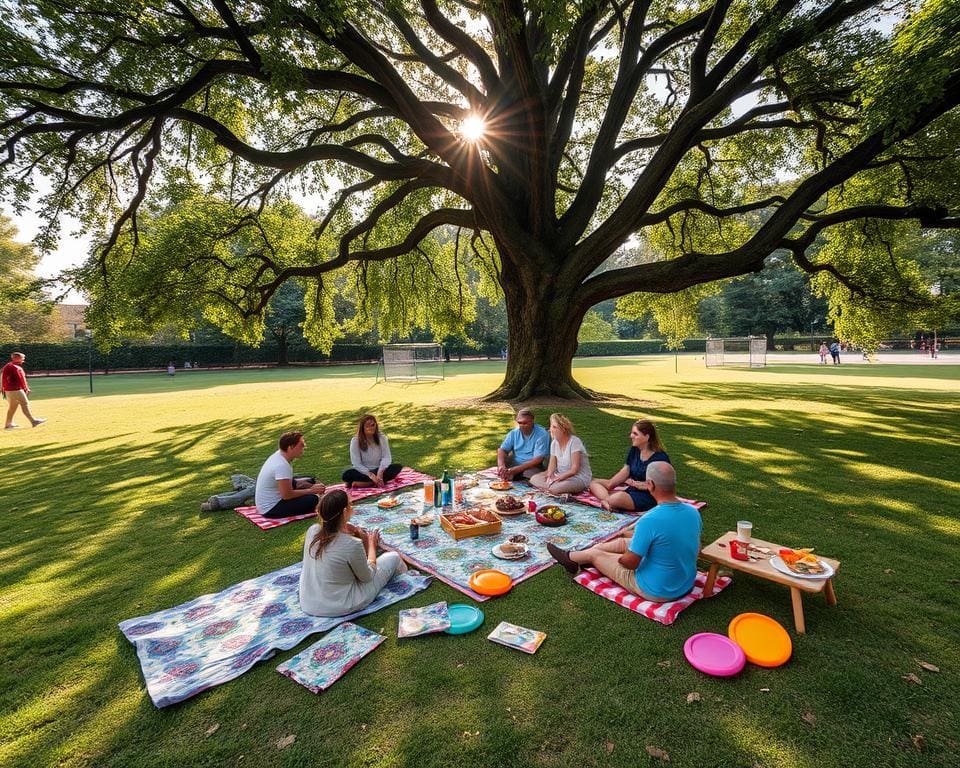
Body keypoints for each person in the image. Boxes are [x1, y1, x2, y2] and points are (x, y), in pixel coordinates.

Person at [547, 462, 701, 602]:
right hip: (685, 582)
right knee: (622, 542)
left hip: (657, 590)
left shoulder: (650, 520)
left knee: (597, 555)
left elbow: (630, 563)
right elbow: (693, 546)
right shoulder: (692, 512)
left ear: (650, 485)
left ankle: (575, 558)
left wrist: (618, 559)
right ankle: (578, 557)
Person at [299, 490, 406, 616]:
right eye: (350, 504)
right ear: (344, 512)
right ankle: (408, 578)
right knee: (393, 557)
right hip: (341, 605)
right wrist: (372, 545)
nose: (352, 507)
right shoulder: (352, 544)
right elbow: (367, 577)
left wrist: (347, 528)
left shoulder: (313, 531)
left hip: (308, 602)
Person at [588, 419, 670, 512]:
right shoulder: (635, 450)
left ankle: (609, 502)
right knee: (594, 482)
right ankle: (607, 501)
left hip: (649, 497)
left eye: (635, 434)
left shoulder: (660, 458)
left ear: (647, 437)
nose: (631, 436)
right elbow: (627, 469)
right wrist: (610, 484)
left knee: (618, 497)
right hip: (632, 490)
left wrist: (643, 485)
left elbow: (665, 486)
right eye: (632, 433)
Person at [252, 431, 326, 518]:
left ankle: (311, 488)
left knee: (309, 480)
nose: (304, 446)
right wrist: (311, 490)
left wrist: (310, 486)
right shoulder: (281, 465)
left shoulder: (280, 456)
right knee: (313, 500)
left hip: (271, 501)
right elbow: (287, 495)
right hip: (271, 508)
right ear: (291, 447)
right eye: (301, 445)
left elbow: (289, 482)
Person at [530, 413, 592, 495]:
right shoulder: (554, 443)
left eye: (554, 427)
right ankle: (550, 488)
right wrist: (549, 476)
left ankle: (551, 488)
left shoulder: (575, 442)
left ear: (563, 429)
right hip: (559, 476)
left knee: (556, 488)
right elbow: (552, 465)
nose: (550, 430)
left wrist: (560, 477)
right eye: (551, 426)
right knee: (533, 479)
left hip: (578, 477)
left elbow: (574, 469)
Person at [200, 470, 320, 512]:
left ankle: (219, 500)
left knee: (254, 487)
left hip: (278, 493)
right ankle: (219, 501)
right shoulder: (287, 476)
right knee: (256, 487)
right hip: (280, 490)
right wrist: (309, 489)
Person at [342, 414, 402, 488]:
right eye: (367, 426)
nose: (371, 428)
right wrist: (370, 475)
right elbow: (356, 463)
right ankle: (375, 481)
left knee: (397, 467)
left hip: (379, 469)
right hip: (364, 471)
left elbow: (386, 457)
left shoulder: (382, 438)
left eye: (373, 425)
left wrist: (380, 472)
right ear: (362, 428)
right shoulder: (355, 441)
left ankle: (363, 484)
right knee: (346, 474)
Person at [496, 408, 550, 480]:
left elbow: (538, 460)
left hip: (532, 467)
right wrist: (501, 466)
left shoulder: (542, 434)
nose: (522, 425)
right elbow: (502, 450)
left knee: (529, 475)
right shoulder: (514, 433)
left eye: (525, 423)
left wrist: (516, 470)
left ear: (532, 421)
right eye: (519, 423)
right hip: (514, 464)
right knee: (502, 469)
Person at [3, 352, 46, 429]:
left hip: (8, 390)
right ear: (16, 358)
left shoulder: (8, 365)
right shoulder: (15, 367)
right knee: (25, 404)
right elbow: (21, 379)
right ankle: (33, 421)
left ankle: (8, 423)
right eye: (22, 358)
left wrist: (3, 388)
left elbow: (3, 377)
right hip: (15, 389)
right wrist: (26, 388)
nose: (23, 360)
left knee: (13, 407)